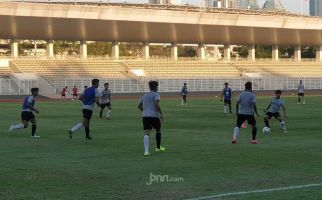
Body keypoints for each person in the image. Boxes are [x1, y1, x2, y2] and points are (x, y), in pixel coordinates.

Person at [138, 81, 165, 156]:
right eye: (157, 86)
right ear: (156, 87)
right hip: (154, 116)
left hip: (145, 116)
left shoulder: (145, 95)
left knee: (147, 133)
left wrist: (145, 111)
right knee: (158, 130)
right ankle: (158, 147)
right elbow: (156, 103)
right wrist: (161, 114)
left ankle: (146, 151)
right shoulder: (156, 94)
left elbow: (139, 106)